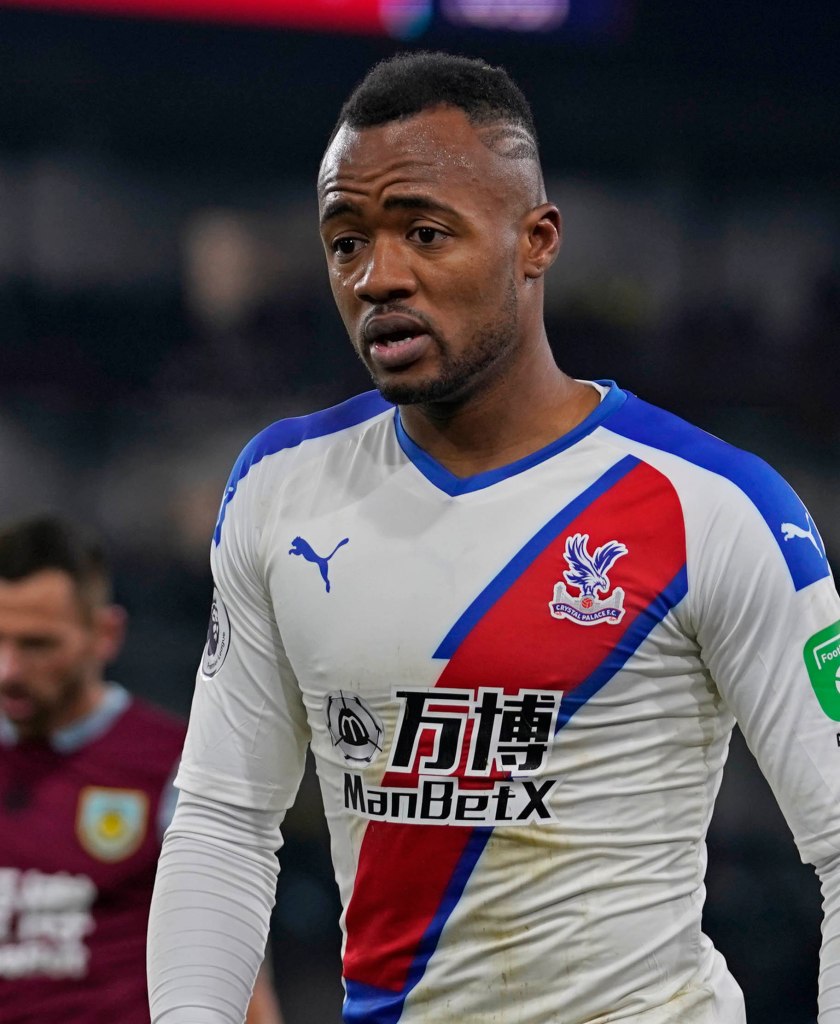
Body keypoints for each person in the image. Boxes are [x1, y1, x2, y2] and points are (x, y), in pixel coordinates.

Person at [147, 51, 840, 1024]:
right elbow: (224, 821)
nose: (378, 277)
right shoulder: (279, 487)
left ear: (535, 241)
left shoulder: (715, 505)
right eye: (346, 243)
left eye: (425, 233)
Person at [0, 515, 282, 1024]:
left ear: (104, 634)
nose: (8, 670)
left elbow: (235, 979)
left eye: (37, 644)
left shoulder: (179, 766)